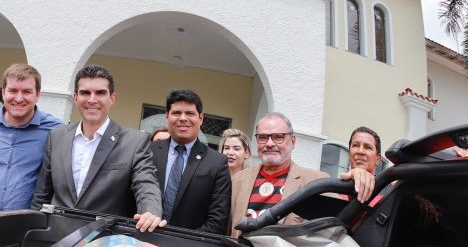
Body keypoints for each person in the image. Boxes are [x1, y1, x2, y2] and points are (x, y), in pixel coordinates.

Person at [31, 65, 163, 232]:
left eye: (100, 93)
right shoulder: (56, 137)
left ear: (112, 98)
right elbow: (42, 194)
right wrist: (34, 230)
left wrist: (150, 211)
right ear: (75, 97)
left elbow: (145, 183)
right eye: (85, 93)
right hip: (56, 238)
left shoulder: (134, 142)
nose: (92, 100)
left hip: (104, 240)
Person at [229, 112, 374, 237]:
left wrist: (357, 182)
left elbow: (341, 226)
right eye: (263, 137)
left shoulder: (317, 181)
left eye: (278, 137)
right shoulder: (238, 181)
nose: (269, 143)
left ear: (293, 141)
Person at [0, 64, 62, 212]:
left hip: (25, 223)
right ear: (3, 92)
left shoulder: (55, 129)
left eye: (26, 92)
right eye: (13, 91)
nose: (18, 98)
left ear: (37, 95)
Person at [150, 89, 231, 234]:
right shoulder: (148, 151)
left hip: (190, 244)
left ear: (201, 118)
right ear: (167, 116)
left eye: (190, 113)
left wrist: (184, 241)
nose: (183, 118)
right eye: (176, 113)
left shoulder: (217, 163)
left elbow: (217, 221)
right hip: (144, 239)